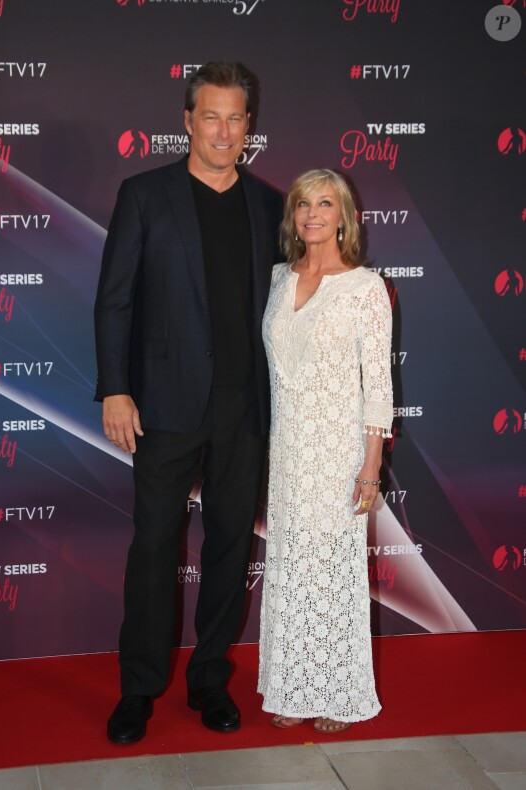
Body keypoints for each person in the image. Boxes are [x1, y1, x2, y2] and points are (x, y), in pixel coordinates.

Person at [94, 62, 283, 744]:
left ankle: (209, 681)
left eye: (237, 118)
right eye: (212, 116)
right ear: (187, 121)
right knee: (153, 548)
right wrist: (116, 387)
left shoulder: (270, 205)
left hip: (244, 408)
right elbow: (115, 298)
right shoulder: (144, 194)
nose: (224, 130)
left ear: (248, 128)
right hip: (164, 405)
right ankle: (139, 688)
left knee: (232, 547)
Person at [258, 169, 393, 733]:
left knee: (332, 572)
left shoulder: (365, 288)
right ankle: (291, 686)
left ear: (345, 216)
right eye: (302, 204)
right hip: (287, 450)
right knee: (289, 567)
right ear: (293, 216)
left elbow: (378, 385)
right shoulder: (277, 278)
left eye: (325, 203)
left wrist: (370, 467)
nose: (312, 213)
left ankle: (337, 691)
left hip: (337, 453)